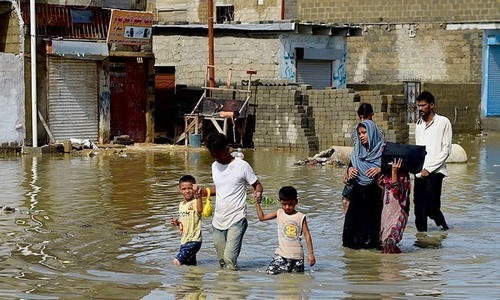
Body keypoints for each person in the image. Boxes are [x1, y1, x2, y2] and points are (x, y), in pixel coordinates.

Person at [198, 132, 264, 270]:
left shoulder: (242, 166)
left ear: (227, 149)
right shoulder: (214, 166)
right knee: (222, 262)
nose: (217, 159)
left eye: (219, 155)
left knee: (229, 259)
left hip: (237, 219)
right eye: (213, 155)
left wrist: (258, 193)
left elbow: (257, 184)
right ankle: (224, 289)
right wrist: (204, 192)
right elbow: (220, 188)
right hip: (218, 220)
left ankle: (234, 289)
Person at [342, 120, 384, 249]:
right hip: (358, 191)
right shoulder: (357, 151)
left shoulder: (383, 151)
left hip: (375, 193)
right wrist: (350, 170)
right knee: (352, 228)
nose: (361, 136)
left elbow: (396, 168)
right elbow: (350, 169)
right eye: (359, 133)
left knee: (372, 228)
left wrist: (380, 169)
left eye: (364, 133)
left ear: (371, 133)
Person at [414, 91, 452, 232]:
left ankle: (443, 227)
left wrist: (429, 169)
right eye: (418, 106)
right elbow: (418, 149)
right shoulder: (418, 124)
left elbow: (446, 150)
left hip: (435, 172)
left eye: (423, 105)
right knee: (419, 209)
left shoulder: (443, 122)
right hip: (420, 172)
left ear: (431, 105)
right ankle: (421, 241)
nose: (420, 109)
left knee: (431, 207)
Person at [255, 186, 316, 275]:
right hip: (281, 255)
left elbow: (307, 235)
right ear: (280, 201)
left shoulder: (300, 216)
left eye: (290, 204)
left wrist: (311, 254)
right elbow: (262, 217)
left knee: (296, 282)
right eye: (284, 204)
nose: (287, 207)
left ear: (296, 201)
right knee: (270, 274)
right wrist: (257, 203)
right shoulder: (279, 212)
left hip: (297, 257)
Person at [342, 103, 386, 213]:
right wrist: (348, 170)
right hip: (357, 171)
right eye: (360, 117)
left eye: (365, 117)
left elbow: (380, 153)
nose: (362, 120)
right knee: (346, 199)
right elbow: (355, 154)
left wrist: (380, 169)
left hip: (372, 172)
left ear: (372, 115)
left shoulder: (378, 132)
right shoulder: (355, 132)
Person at [170, 175, 204, 265]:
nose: (187, 191)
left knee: (176, 262)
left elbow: (200, 211)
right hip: (184, 241)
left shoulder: (196, 201)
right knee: (190, 266)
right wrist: (177, 223)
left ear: (194, 188)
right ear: (180, 190)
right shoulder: (181, 204)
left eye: (190, 188)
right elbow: (185, 221)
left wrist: (199, 195)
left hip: (193, 241)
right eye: (184, 189)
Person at [379, 158, 411, 254]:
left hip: (398, 213)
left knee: (390, 241)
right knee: (384, 242)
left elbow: (396, 191)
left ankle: (392, 266)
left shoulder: (402, 176)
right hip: (386, 214)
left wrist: (394, 172)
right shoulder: (384, 175)